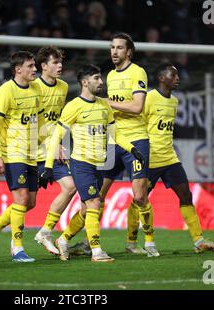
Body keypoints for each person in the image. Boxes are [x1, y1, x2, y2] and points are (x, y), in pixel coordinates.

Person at [39, 64, 144, 262]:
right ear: (85, 82)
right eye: (97, 78)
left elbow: (115, 133)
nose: (101, 82)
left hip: (99, 164)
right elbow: (56, 137)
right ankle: (96, 251)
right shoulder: (73, 106)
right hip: (81, 163)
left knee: (88, 209)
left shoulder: (105, 106)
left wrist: (132, 149)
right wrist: (48, 166)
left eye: (101, 78)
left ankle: (64, 239)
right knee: (95, 203)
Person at [69, 32, 159, 257]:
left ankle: (145, 242)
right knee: (95, 197)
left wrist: (107, 102)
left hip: (136, 139)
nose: (114, 51)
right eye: (112, 47)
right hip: (111, 141)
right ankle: (82, 242)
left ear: (129, 51)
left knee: (139, 196)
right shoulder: (108, 76)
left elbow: (138, 106)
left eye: (119, 48)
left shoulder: (138, 72)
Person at [144, 63, 214, 253]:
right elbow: (139, 125)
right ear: (162, 78)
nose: (178, 78)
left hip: (170, 158)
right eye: (174, 75)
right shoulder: (149, 98)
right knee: (140, 198)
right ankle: (143, 243)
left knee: (186, 195)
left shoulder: (174, 101)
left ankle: (199, 240)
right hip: (151, 157)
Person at [0, 51, 43, 263]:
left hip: (31, 153)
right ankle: (17, 248)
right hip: (13, 152)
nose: (35, 69)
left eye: (35, 66)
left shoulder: (36, 89)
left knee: (30, 202)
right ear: (18, 69)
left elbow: (38, 121)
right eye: (31, 66)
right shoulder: (5, 91)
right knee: (21, 198)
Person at [33, 46, 77, 256]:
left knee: (70, 186)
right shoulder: (32, 87)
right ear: (43, 66)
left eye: (61, 62)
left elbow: (58, 120)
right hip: (31, 148)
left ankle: (45, 231)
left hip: (52, 148)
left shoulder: (63, 87)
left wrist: (57, 141)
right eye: (55, 63)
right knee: (24, 201)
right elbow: (30, 123)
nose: (60, 66)